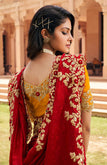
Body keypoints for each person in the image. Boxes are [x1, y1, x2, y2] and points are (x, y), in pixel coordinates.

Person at [8, 5, 93, 165]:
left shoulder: (17, 80)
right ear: (45, 34)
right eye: (64, 32)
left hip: (32, 158)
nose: (71, 38)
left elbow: (20, 133)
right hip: (64, 155)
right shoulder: (74, 68)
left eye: (70, 32)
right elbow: (85, 127)